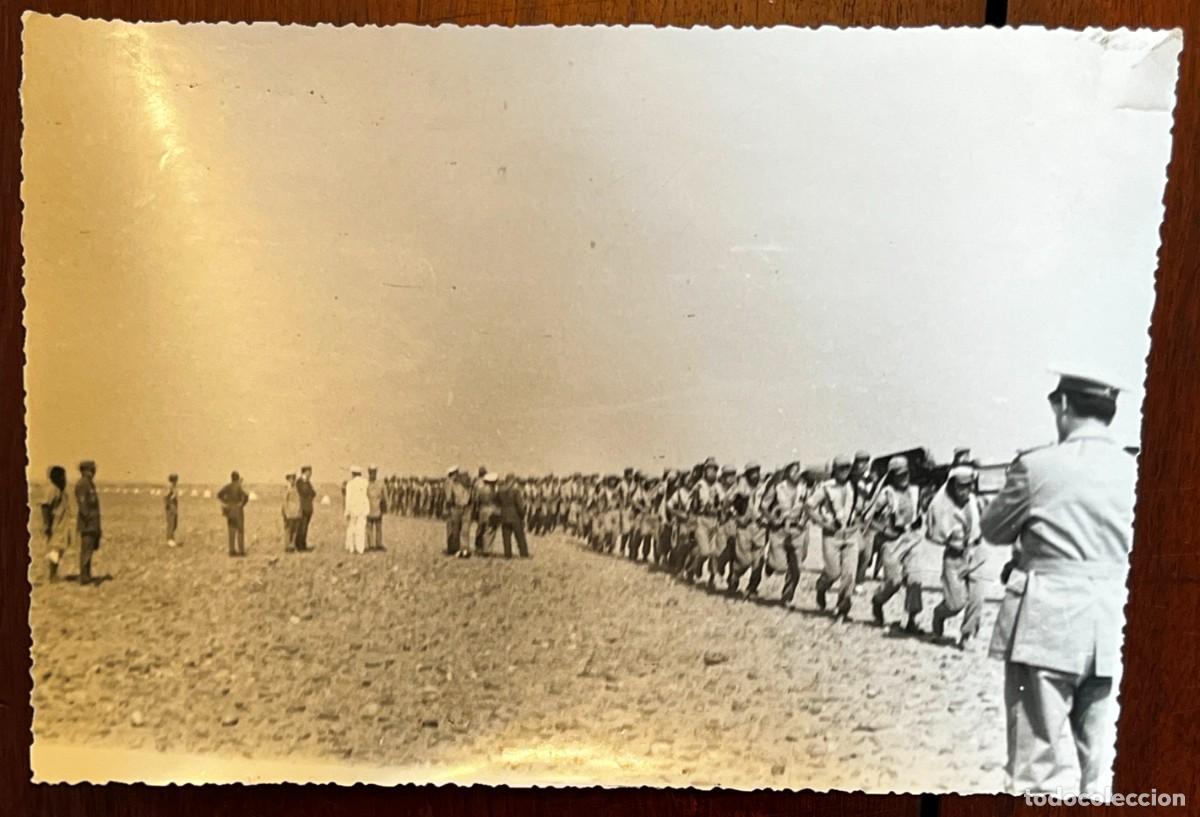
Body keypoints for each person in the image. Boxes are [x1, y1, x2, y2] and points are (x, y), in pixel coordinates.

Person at [981, 370, 1135, 796]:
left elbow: (993, 530)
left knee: (1035, 766)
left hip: (1046, 623)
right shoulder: (1137, 471)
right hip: (1116, 623)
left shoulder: (1037, 466)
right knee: (1107, 769)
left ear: (1063, 405)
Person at [927, 466, 986, 646]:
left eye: (968, 486)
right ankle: (939, 615)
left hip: (976, 554)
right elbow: (936, 533)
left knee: (977, 598)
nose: (965, 490)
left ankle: (966, 636)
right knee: (956, 604)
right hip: (954, 559)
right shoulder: (943, 507)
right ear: (952, 486)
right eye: (961, 487)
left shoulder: (975, 501)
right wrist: (953, 541)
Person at [868, 456, 925, 632]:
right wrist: (885, 529)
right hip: (891, 542)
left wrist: (918, 521)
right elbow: (868, 518)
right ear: (892, 476)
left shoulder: (915, 491)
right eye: (899, 475)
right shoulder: (886, 494)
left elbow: (920, 512)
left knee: (915, 579)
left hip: (912, 539)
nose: (903, 477)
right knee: (894, 581)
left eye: (905, 473)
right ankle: (878, 601)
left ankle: (911, 621)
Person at [811, 455, 863, 621]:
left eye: (847, 468)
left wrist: (858, 520)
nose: (844, 471)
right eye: (841, 468)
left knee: (849, 575)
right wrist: (823, 523)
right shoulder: (825, 487)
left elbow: (860, 509)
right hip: (831, 535)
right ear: (834, 470)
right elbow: (809, 506)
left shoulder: (854, 486)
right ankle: (821, 587)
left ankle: (842, 609)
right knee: (833, 573)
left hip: (850, 534)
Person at [726, 462, 766, 595]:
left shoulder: (763, 487)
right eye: (752, 473)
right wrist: (735, 515)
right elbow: (727, 503)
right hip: (744, 527)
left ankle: (752, 588)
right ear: (747, 474)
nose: (755, 475)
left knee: (758, 561)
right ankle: (734, 577)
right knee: (743, 560)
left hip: (760, 527)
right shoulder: (739, 487)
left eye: (757, 472)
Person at [38, 465, 75, 582]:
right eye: (63, 477)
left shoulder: (60, 491)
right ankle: (52, 575)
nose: (65, 479)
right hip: (55, 526)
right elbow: (45, 507)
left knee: (59, 549)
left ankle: (53, 574)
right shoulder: (52, 490)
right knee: (55, 549)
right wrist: (47, 524)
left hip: (61, 525)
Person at [75, 460, 102, 583]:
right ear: (86, 471)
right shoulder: (82, 484)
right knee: (86, 551)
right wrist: (90, 521)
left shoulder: (90, 484)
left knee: (90, 550)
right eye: (92, 469)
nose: (94, 471)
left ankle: (87, 575)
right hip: (87, 524)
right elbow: (83, 506)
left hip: (93, 523)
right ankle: (84, 577)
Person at [497, 473, 531, 558]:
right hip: (515, 516)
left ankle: (507, 554)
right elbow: (519, 505)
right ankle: (524, 554)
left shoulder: (500, 490)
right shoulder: (515, 491)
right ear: (512, 481)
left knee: (506, 537)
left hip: (504, 515)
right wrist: (522, 515)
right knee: (520, 536)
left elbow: (497, 502)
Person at [217, 471, 249, 557]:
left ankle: (231, 550)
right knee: (240, 531)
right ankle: (241, 551)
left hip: (229, 511)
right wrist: (242, 504)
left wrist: (226, 503)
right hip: (238, 510)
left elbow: (219, 495)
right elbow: (246, 496)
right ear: (238, 478)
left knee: (231, 531)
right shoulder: (239, 486)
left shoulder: (228, 486)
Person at [444, 467, 472, 556]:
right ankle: (464, 549)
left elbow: (449, 498)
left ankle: (457, 549)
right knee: (464, 529)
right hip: (464, 507)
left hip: (456, 507)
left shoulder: (452, 483)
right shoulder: (463, 483)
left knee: (456, 529)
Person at [473, 472, 501, 554]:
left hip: (482, 510)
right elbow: (497, 502)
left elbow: (476, 500)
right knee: (490, 530)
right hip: (492, 511)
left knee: (480, 529)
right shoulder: (494, 491)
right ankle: (487, 549)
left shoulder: (480, 490)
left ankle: (478, 548)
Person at [344, 466, 369, 554]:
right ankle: (360, 548)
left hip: (353, 509)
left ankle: (351, 547)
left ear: (352, 474)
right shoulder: (365, 483)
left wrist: (347, 511)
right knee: (361, 529)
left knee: (352, 528)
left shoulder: (350, 484)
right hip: (362, 508)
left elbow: (348, 499)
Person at [295, 466, 316, 551]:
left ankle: (303, 545)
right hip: (302, 508)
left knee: (305, 527)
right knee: (301, 528)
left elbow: (314, 493)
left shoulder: (308, 482)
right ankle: (300, 546)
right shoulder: (300, 482)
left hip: (308, 508)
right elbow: (304, 492)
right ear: (305, 472)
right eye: (309, 472)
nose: (310, 474)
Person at [366, 465, 386, 551]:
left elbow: (384, 498)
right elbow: (385, 497)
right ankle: (374, 545)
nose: (373, 474)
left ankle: (374, 545)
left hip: (373, 509)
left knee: (374, 528)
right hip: (373, 509)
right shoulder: (379, 484)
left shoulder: (367, 484)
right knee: (373, 528)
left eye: (373, 472)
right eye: (372, 472)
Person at [282, 473, 302, 551]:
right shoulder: (286, 489)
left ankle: (292, 545)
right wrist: (286, 512)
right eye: (291, 479)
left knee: (295, 530)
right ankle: (287, 546)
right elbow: (284, 502)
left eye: (293, 479)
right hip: (289, 513)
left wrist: (299, 511)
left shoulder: (296, 489)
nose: (292, 480)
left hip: (296, 512)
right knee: (288, 530)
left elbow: (299, 501)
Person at [165, 473, 180, 548]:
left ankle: (172, 539)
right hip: (171, 506)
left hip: (174, 506)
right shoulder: (170, 486)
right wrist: (170, 501)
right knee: (171, 523)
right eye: (176, 479)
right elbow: (166, 496)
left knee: (174, 523)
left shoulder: (173, 486)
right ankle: (169, 540)